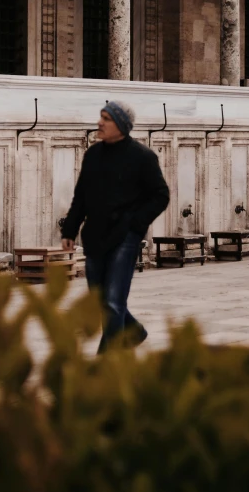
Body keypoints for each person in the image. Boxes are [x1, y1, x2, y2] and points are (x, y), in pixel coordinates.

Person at [61, 101, 170, 352]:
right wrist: (69, 230)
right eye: (101, 117)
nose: (100, 123)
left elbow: (160, 195)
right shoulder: (93, 155)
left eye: (106, 119)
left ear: (121, 125)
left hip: (124, 237)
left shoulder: (142, 157)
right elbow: (81, 196)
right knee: (100, 300)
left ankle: (105, 363)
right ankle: (134, 332)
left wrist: (136, 224)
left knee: (113, 301)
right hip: (96, 236)